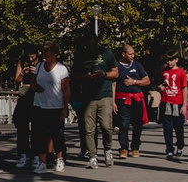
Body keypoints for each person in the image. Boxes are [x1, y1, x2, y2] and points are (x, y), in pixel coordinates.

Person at [72, 36, 115, 168]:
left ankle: (108, 149)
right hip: (87, 96)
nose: (90, 44)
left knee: (106, 126)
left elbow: (116, 73)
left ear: (97, 41)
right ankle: (92, 156)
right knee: (89, 128)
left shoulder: (106, 53)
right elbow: (73, 75)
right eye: (88, 42)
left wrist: (104, 75)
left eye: (93, 41)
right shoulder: (81, 55)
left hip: (104, 94)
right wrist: (85, 76)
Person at [31, 44, 69, 170]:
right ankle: (42, 162)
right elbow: (32, 82)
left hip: (55, 106)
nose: (43, 52)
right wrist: (35, 87)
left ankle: (59, 158)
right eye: (42, 50)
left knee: (56, 135)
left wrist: (65, 107)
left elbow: (65, 89)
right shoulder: (40, 66)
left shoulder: (61, 69)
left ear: (53, 53)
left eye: (46, 50)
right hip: (39, 105)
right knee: (40, 135)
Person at [113, 43, 151, 161]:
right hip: (123, 99)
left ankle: (135, 147)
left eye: (133, 53)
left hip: (137, 98)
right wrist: (113, 101)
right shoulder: (117, 66)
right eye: (130, 54)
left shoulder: (137, 65)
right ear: (123, 54)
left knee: (137, 124)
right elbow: (113, 84)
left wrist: (134, 82)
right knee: (123, 124)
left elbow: (147, 81)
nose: (132, 56)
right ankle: (123, 148)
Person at [156, 50, 188, 162]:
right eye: (168, 60)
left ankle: (180, 146)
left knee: (179, 127)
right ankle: (169, 148)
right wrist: (160, 88)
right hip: (166, 102)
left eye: (171, 60)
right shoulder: (164, 71)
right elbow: (161, 84)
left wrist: (184, 105)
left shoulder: (181, 73)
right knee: (167, 128)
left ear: (176, 60)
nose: (169, 63)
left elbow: (184, 88)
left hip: (178, 102)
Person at [10, 53, 39, 168]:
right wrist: (22, 73)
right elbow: (17, 80)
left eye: (33, 56)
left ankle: (36, 154)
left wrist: (36, 71)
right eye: (29, 57)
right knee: (22, 127)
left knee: (37, 127)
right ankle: (23, 153)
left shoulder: (41, 63)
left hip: (36, 95)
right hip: (24, 95)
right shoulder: (22, 62)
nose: (30, 59)